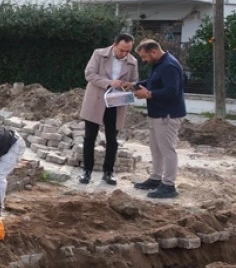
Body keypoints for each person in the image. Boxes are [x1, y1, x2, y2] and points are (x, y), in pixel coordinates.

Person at [78, 33, 139, 185]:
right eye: (121, 50)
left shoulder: (132, 61)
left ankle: (108, 172)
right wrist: (109, 82)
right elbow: (89, 74)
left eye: (128, 51)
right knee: (90, 136)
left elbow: (134, 81)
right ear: (114, 45)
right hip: (96, 99)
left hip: (116, 102)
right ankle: (87, 171)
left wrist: (129, 85)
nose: (124, 54)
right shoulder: (99, 54)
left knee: (112, 139)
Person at [128, 39, 185, 199]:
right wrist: (134, 85)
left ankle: (169, 185)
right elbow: (153, 82)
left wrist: (148, 94)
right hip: (156, 113)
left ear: (153, 52)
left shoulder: (169, 66)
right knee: (156, 148)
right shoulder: (159, 64)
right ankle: (156, 178)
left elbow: (172, 91)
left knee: (167, 150)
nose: (143, 60)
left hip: (167, 115)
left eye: (144, 56)